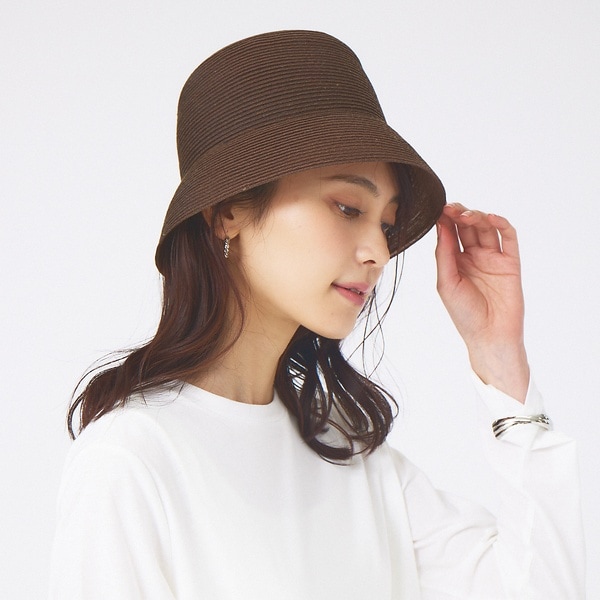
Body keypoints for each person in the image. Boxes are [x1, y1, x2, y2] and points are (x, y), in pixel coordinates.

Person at [49, 30, 584, 599]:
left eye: (385, 224)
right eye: (348, 207)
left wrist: (499, 355)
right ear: (227, 212)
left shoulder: (349, 456)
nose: (378, 252)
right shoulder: (131, 461)